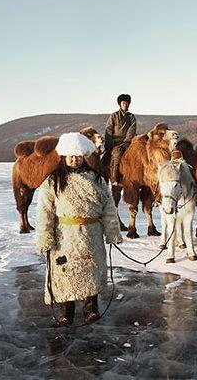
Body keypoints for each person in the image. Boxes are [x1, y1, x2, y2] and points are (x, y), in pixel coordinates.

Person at [35, 132, 122, 325]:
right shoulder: (53, 180)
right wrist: (45, 237)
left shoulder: (96, 178)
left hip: (91, 233)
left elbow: (108, 207)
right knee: (66, 271)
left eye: (78, 156)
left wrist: (112, 232)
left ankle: (91, 308)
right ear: (64, 156)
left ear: (84, 156)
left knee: (91, 270)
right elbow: (44, 211)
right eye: (71, 156)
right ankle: (67, 311)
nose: (75, 160)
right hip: (64, 235)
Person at [104, 93, 137, 183]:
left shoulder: (131, 117)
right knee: (116, 154)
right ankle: (115, 178)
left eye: (127, 103)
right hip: (115, 141)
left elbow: (132, 130)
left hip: (128, 141)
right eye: (123, 103)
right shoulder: (113, 116)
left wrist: (127, 141)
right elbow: (109, 129)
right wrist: (109, 143)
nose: (125, 105)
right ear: (120, 104)